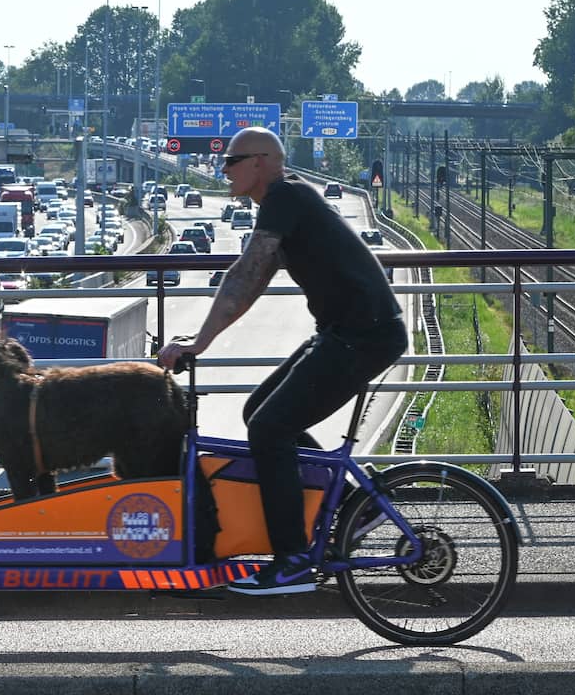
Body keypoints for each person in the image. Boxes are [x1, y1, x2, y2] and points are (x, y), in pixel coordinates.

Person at [157, 126, 407, 596]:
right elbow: (249, 281)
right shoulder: (285, 203)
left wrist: (200, 342)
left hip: (364, 335)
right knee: (259, 413)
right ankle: (358, 503)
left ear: (261, 162)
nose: (223, 170)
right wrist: (201, 337)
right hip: (343, 332)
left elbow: (249, 268)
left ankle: (292, 559)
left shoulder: (285, 197)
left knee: (271, 428)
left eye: (231, 161)